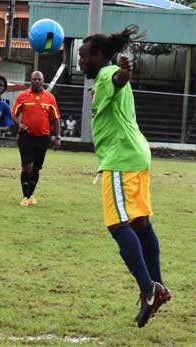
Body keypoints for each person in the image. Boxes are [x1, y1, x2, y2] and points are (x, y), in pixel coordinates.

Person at [78, 25, 170, 328]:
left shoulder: (107, 74)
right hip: (138, 155)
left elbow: (116, 79)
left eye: (84, 57)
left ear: (101, 57)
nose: (80, 62)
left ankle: (148, 290)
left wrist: (123, 72)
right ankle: (157, 287)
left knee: (118, 224)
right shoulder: (102, 79)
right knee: (141, 222)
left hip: (121, 159)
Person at [12, 70, 62, 206]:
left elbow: (56, 118)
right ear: (30, 80)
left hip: (43, 137)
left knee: (36, 168)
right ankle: (25, 196)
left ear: (43, 81)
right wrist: (20, 124)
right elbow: (14, 114)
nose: (37, 81)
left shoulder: (50, 98)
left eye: (39, 79)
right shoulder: (23, 96)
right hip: (26, 136)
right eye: (34, 79)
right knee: (27, 166)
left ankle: (31, 195)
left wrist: (57, 137)